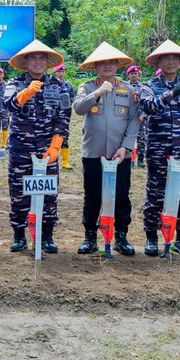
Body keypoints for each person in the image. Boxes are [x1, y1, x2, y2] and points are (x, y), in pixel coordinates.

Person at [2, 39, 72, 253]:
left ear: (47, 62)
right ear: (26, 61)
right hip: (21, 149)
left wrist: (57, 144)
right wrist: (26, 93)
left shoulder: (59, 86)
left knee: (49, 193)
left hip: (47, 150)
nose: (38, 61)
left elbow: (65, 115)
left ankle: (47, 236)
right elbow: (8, 105)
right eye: (34, 57)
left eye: (42, 58)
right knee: (19, 193)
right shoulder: (15, 82)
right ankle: (19, 235)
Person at [139, 40, 180, 258]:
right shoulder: (149, 86)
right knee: (155, 195)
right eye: (166, 57)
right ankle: (151, 238)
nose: (170, 61)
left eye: (174, 58)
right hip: (158, 150)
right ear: (158, 61)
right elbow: (147, 106)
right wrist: (170, 94)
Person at [73, 43, 139, 255]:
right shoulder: (87, 87)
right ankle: (90, 237)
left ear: (118, 65)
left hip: (120, 154)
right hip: (93, 152)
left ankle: (121, 236)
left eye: (112, 62)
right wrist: (98, 92)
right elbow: (78, 108)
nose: (108, 66)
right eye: (103, 63)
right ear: (96, 66)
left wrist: (126, 147)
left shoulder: (129, 91)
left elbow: (134, 121)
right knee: (92, 195)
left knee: (121, 195)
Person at [52, 62, 74, 170]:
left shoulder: (69, 85)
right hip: (52, 115)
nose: (61, 73)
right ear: (55, 73)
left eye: (63, 71)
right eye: (59, 71)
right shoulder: (51, 84)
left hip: (64, 116)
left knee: (64, 137)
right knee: (52, 138)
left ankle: (66, 162)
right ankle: (52, 159)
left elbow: (72, 98)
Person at [126, 65, 148, 167]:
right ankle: (128, 158)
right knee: (126, 136)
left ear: (139, 75)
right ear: (128, 75)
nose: (134, 75)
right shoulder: (124, 87)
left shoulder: (144, 87)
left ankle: (140, 159)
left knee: (141, 139)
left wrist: (143, 115)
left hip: (140, 117)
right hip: (127, 117)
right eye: (132, 74)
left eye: (136, 73)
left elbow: (146, 103)